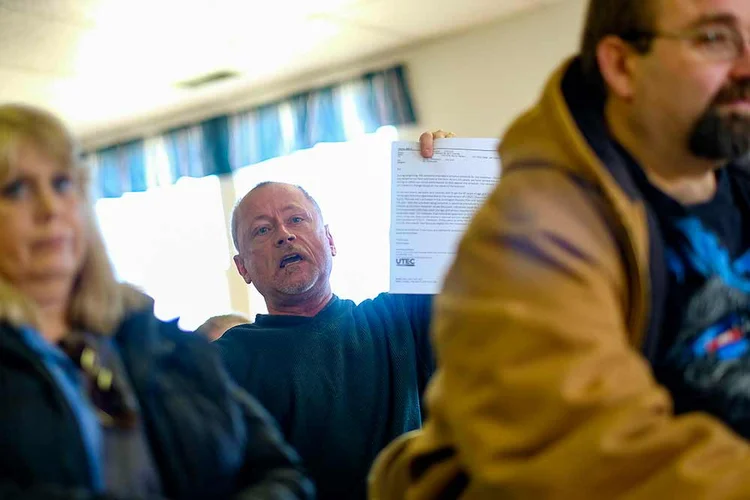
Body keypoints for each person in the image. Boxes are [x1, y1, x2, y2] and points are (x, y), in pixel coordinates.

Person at [370, 0, 750, 498]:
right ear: (622, 66)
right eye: (713, 39)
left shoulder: (735, 182)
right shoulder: (529, 229)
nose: (745, 65)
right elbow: (590, 455)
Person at [0, 104, 314, 499]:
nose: (50, 209)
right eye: (16, 189)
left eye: (62, 184)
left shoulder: (156, 343)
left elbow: (279, 474)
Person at [215, 176, 446, 499]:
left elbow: (487, 281)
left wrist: (446, 164)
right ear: (243, 269)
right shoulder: (221, 365)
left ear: (330, 240)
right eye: (262, 230)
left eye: (296, 219)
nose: (284, 234)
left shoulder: (400, 319)